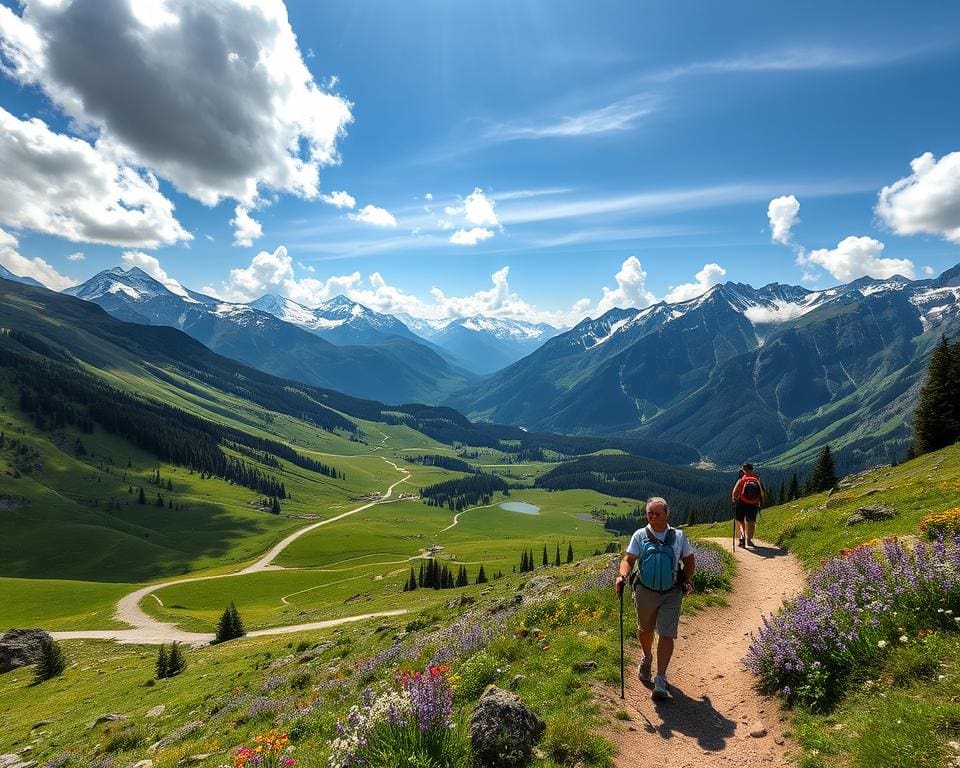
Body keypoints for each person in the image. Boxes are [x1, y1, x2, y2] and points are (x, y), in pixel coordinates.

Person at [615, 497, 695, 702]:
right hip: (645, 590)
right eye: (649, 513)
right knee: (645, 629)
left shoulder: (678, 536)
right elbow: (629, 559)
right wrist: (623, 575)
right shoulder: (640, 535)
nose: (652, 516)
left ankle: (660, 678)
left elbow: (689, 560)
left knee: (667, 633)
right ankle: (647, 656)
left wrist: (685, 580)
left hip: (671, 592)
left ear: (666, 514)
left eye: (656, 513)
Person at [731, 462, 764, 547]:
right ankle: (749, 540)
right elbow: (762, 493)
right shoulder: (757, 480)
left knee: (740, 521)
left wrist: (734, 499)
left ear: (744, 470)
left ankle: (742, 537)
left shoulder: (742, 479)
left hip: (741, 502)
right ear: (752, 470)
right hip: (753, 504)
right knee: (751, 521)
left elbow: (735, 492)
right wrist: (759, 502)